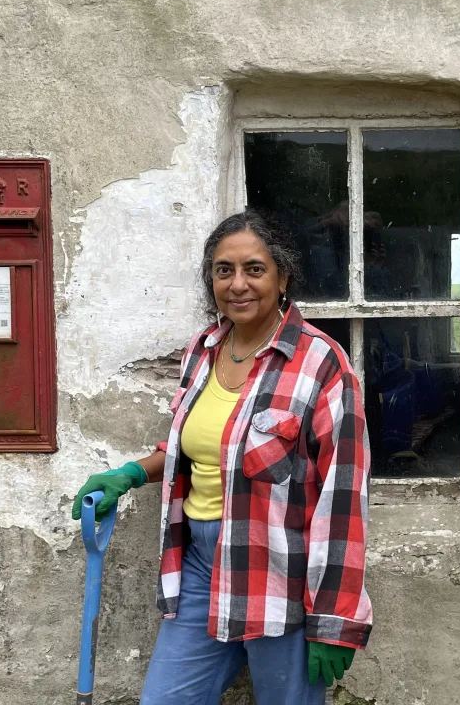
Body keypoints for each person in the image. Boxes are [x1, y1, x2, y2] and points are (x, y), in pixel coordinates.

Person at [72, 209, 372, 704]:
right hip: (200, 567)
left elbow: (343, 500)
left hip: (280, 576)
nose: (238, 284)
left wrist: (335, 621)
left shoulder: (322, 364)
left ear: (282, 277)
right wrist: (129, 474)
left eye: (254, 269)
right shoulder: (204, 350)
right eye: (223, 270)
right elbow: (203, 447)